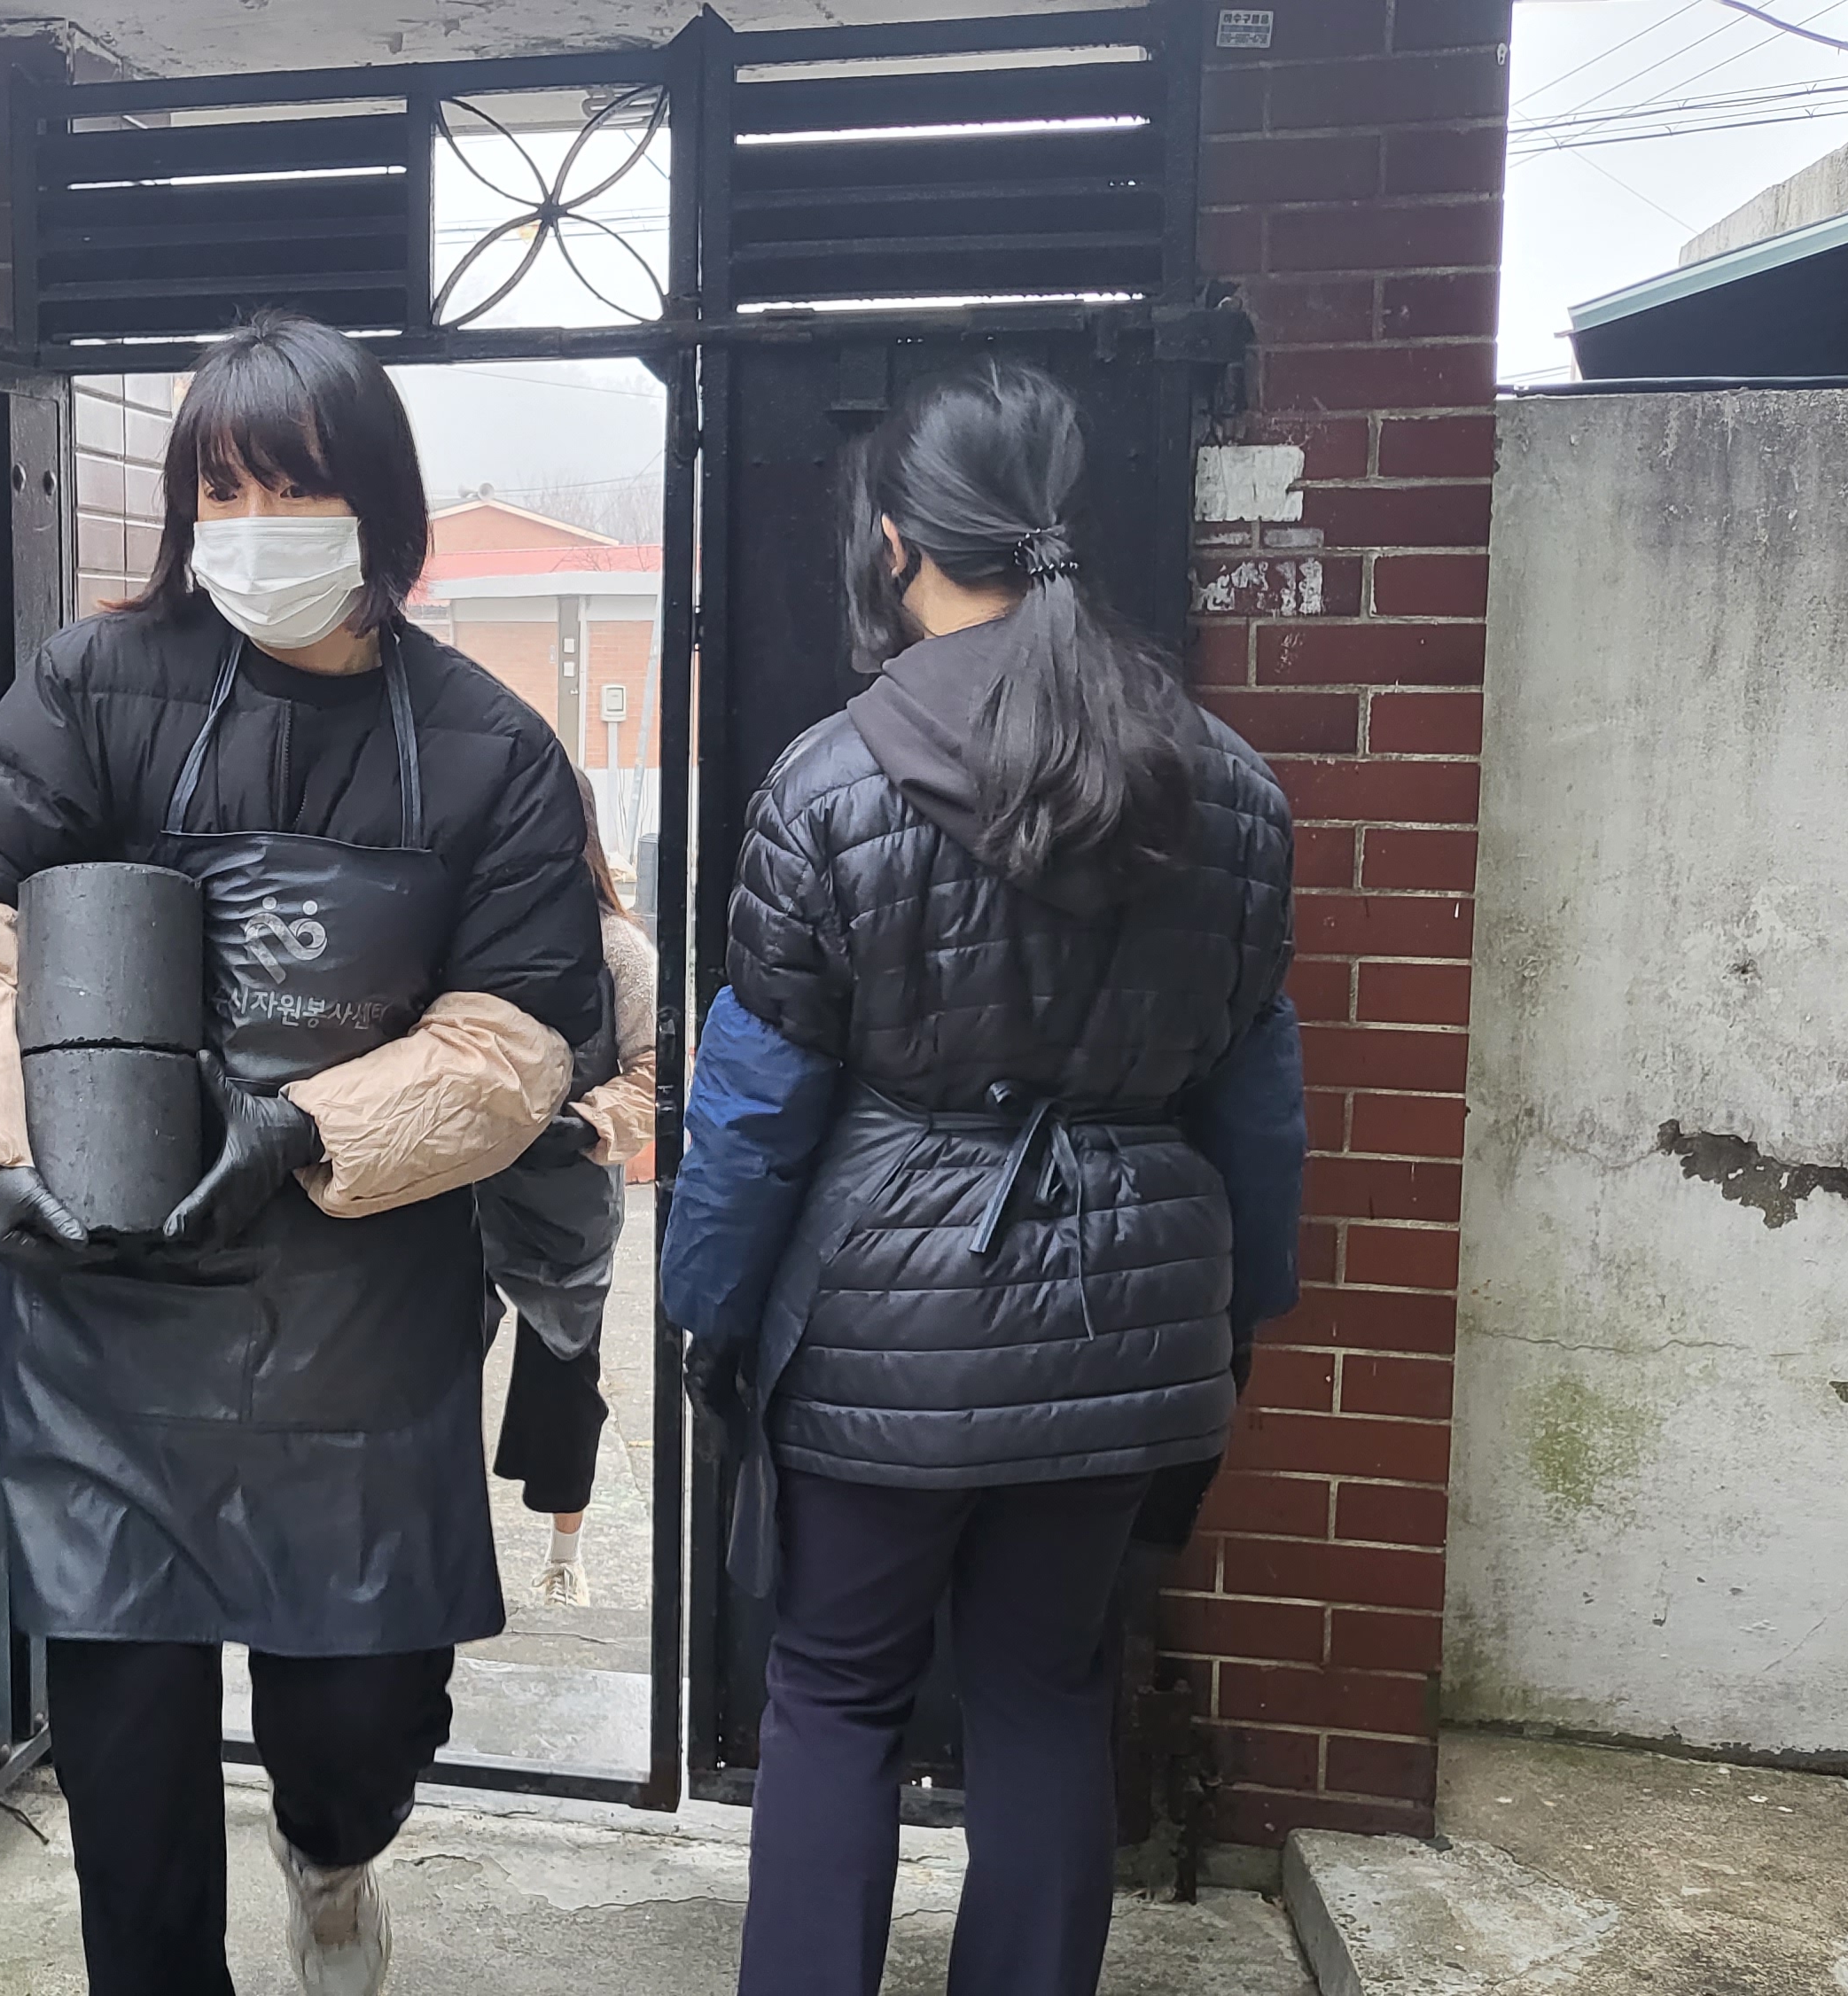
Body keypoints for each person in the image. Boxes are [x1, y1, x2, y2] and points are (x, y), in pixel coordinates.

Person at [0, 308, 607, 1996]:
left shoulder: (492, 750)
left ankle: (333, 1851)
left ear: (381, 509)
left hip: (363, 1319)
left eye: (296, 487)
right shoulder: (96, 685)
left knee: (360, 1719)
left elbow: (519, 1039)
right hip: (111, 1311)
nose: (258, 526)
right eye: (224, 490)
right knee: (129, 1765)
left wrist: (295, 1127)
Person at [660, 360, 1300, 1996]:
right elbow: (1259, 1095)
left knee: (835, 1691)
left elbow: (752, 1105)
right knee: (1047, 1694)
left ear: (896, 542)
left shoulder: (826, 782)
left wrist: (705, 1312)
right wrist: (1235, 1313)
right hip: (1127, 1327)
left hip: (883, 1332)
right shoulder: (1230, 786)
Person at [474, 787, 657, 1609]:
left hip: (571, 1192)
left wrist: (586, 1125)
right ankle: (449, 1543)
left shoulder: (620, 950)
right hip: (464, 1183)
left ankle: (563, 1557)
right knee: (434, 1369)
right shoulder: (476, 937)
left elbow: (657, 1074)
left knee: (565, 1375)